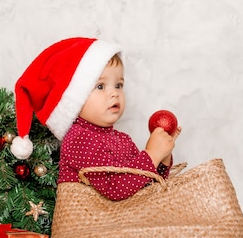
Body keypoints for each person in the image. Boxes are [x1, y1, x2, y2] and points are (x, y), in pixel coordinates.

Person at [10, 37, 181, 201]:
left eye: (118, 85)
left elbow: (145, 186)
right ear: (76, 98)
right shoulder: (79, 139)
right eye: (100, 86)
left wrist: (163, 156)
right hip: (88, 227)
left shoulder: (123, 139)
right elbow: (114, 188)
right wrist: (151, 155)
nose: (114, 93)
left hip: (120, 224)